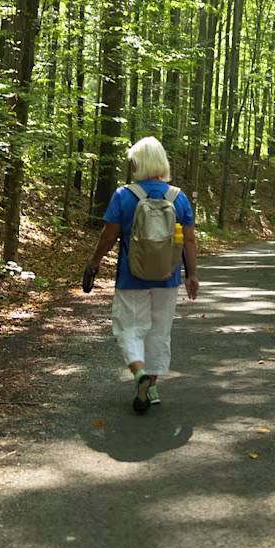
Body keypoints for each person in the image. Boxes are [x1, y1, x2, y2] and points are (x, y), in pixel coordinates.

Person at [84, 137, 199, 414]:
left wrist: (94, 261)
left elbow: (108, 235)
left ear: (139, 163)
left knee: (128, 328)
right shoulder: (178, 197)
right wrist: (191, 274)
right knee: (159, 332)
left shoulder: (124, 195)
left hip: (131, 278)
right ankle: (152, 387)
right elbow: (190, 241)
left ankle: (139, 373)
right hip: (168, 277)